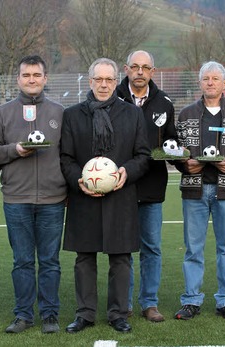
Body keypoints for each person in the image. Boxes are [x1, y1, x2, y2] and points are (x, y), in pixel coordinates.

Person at [60, 58, 150, 334]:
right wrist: (79, 181)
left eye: (108, 80)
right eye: (98, 79)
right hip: (84, 198)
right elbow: (65, 157)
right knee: (84, 258)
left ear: (115, 82)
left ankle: (118, 314)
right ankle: (85, 314)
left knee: (121, 259)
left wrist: (126, 172)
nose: (103, 84)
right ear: (89, 81)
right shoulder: (73, 115)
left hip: (120, 197)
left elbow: (143, 156)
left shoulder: (131, 114)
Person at [0, 55, 66, 334]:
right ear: (18, 79)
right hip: (16, 199)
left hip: (53, 199)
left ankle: (50, 314)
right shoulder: (2, 113)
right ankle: (23, 315)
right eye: (26, 75)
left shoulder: (59, 112)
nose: (32, 80)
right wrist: (15, 150)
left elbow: (68, 154)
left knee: (50, 260)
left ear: (45, 78)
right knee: (22, 261)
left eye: (37, 75)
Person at [173, 61, 225, 321]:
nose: (210, 83)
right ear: (200, 83)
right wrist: (184, 165)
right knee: (193, 249)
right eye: (206, 78)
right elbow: (174, 150)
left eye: (215, 78)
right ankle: (191, 300)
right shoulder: (186, 114)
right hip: (194, 191)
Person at [115, 50, 176, 322]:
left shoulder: (164, 103)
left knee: (151, 247)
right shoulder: (112, 98)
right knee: (123, 247)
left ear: (153, 71)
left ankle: (149, 303)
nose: (140, 72)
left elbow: (171, 142)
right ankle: (123, 303)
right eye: (135, 67)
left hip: (152, 186)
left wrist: (179, 154)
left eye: (146, 68)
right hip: (119, 185)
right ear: (126, 69)